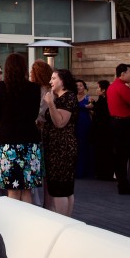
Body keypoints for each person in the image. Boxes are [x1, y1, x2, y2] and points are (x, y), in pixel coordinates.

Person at [0, 52, 42, 203]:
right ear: (24, 68)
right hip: (29, 140)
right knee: (27, 188)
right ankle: (28, 224)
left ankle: (13, 224)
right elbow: (34, 115)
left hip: (8, 141)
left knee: (12, 190)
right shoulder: (34, 88)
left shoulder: (0, 87)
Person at [42, 68, 79, 216]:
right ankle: (67, 220)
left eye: (54, 78)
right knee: (65, 187)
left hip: (61, 149)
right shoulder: (62, 98)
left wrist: (50, 103)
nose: (50, 81)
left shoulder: (67, 97)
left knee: (60, 188)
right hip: (58, 148)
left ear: (62, 81)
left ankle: (63, 220)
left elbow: (60, 122)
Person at [106, 63, 130, 194]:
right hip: (125, 124)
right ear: (123, 74)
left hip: (115, 122)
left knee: (119, 155)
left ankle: (123, 183)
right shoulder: (122, 87)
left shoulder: (112, 87)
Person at [91, 79, 115, 181]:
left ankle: (106, 173)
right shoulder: (101, 98)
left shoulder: (107, 100)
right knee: (100, 150)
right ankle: (101, 172)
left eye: (98, 88)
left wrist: (93, 106)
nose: (97, 90)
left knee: (105, 150)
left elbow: (103, 112)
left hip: (104, 129)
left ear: (104, 89)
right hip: (99, 129)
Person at [74, 79, 94, 178]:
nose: (78, 87)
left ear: (84, 87)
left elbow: (93, 112)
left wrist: (91, 107)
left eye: (81, 85)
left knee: (84, 145)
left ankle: (85, 171)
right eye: (77, 85)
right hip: (74, 123)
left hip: (85, 123)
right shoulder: (72, 98)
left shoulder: (88, 98)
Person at [30, 59, 53, 124]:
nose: (30, 73)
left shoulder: (44, 89)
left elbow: (43, 109)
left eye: (32, 71)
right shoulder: (50, 88)